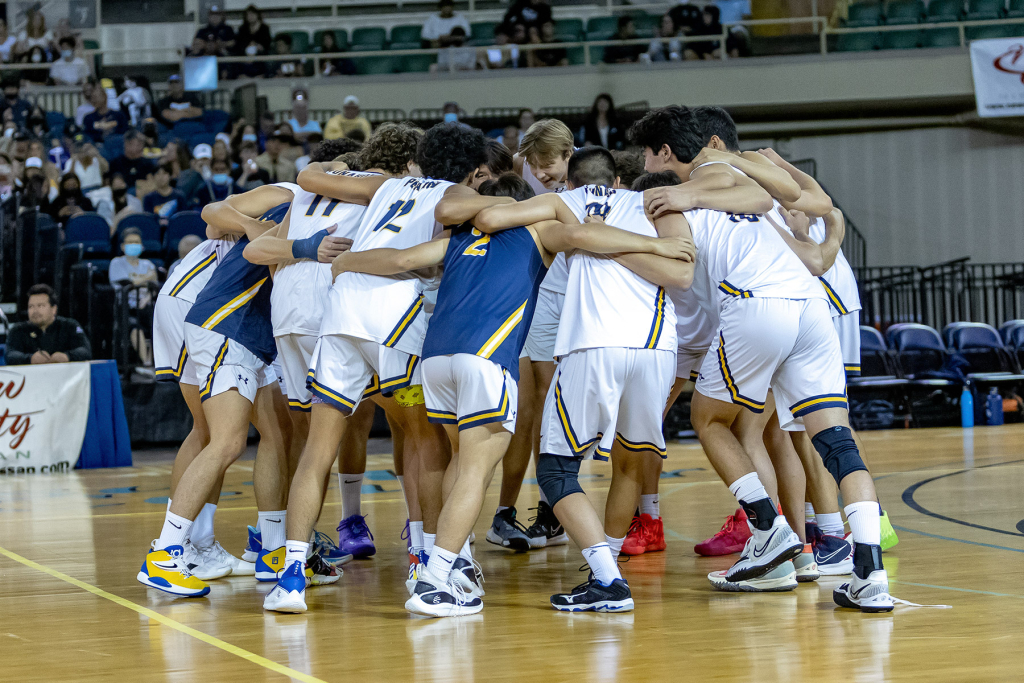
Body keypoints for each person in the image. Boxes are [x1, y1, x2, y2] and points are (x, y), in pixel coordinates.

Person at [634, 105, 894, 611]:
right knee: (835, 439)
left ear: (666, 152)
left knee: (708, 420)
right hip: (808, 305)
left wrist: (680, 197)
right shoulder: (748, 173)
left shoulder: (704, 179)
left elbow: (750, 199)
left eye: (648, 151)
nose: (644, 160)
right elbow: (806, 199)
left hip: (756, 302)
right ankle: (868, 571)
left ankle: (768, 531)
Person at [261, 122, 488, 614]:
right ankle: (427, 564)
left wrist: (330, 165)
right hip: (395, 314)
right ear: (476, 172)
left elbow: (309, 177)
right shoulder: (460, 197)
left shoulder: (382, 184)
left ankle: (291, 577)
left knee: (319, 447)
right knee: (422, 438)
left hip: (341, 310)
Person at [472, 147, 695, 612]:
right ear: (618, 180)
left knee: (556, 470)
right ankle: (608, 572)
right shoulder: (653, 203)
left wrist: (586, 237)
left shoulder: (563, 203)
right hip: (656, 348)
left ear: (568, 184)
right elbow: (682, 275)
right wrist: (639, 244)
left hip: (593, 344)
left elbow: (491, 218)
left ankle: (608, 579)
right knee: (632, 463)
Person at [137, 184, 321, 597]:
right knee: (221, 439)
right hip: (217, 316)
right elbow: (214, 216)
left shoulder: (320, 212)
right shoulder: (291, 198)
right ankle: (169, 550)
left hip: (246, 329)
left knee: (274, 431)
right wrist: (284, 239)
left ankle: (273, 547)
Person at [5, 284, 91, 365]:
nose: (35, 311)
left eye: (40, 306)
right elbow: (10, 355)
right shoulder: (18, 330)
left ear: (54, 309)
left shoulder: (70, 326)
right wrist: (30, 358)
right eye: (31, 306)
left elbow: (85, 351)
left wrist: (67, 356)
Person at [234, 5, 272, 77]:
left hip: (260, 55)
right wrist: (247, 47)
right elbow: (239, 43)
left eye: (252, 14)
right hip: (245, 56)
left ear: (257, 15)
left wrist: (257, 46)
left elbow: (267, 43)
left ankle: (261, 75)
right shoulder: (242, 29)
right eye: (248, 15)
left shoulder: (264, 28)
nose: (250, 17)